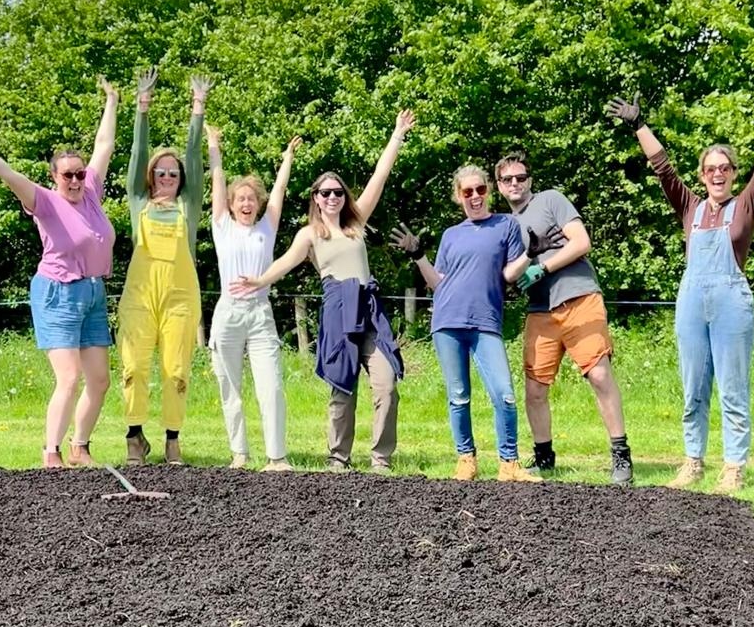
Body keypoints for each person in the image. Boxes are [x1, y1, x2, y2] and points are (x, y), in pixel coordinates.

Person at [606, 86, 754, 493]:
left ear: (732, 173)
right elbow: (662, 168)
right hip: (692, 302)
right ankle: (692, 462)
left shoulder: (744, 204)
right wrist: (639, 124)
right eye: (710, 168)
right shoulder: (690, 207)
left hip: (731, 303)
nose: (717, 173)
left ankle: (733, 467)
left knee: (732, 388)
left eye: (724, 167)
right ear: (702, 174)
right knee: (694, 388)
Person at [0, 79, 119, 469]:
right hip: (57, 294)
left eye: (79, 174)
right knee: (68, 379)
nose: (74, 180)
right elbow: (4, 171)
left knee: (99, 380)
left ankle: (79, 446)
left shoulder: (93, 192)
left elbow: (104, 146)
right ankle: (50, 453)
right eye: (67, 175)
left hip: (93, 293)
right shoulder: (44, 201)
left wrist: (112, 100)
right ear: (54, 176)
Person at [230, 111, 415, 473]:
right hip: (337, 309)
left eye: (337, 192)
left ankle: (380, 458)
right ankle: (338, 458)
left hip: (368, 307)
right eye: (325, 193)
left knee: (386, 383)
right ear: (315, 197)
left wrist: (396, 135)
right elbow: (284, 263)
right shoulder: (309, 234)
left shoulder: (356, 221)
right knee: (342, 387)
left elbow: (379, 177)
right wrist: (259, 281)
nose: (332, 197)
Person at [390, 166, 553, 482]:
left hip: (485, 322)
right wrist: (419, 256)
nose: (475, 196)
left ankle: (509, 464)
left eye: (480, 190)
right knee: (458, 395)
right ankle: (466, 459)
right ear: (458, 196)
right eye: (468, 192)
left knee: (504, 393)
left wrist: (531, 255)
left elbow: (508, 275)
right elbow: (438, 283)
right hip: (448, 321)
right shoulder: (452, 235)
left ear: (488, 191)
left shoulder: (505, 225)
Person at [494, 152, 634, 487]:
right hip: (540, 309)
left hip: (579, 295)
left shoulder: (551, 201)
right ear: (498, 185)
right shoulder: (503, 225)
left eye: (521, 177)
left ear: (530, 180)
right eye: (508, 179)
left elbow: (582, 242)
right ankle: (544, 457)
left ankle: (620, 454)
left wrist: (543, 266)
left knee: (599, 374)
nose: (516, 184)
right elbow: (505, 274)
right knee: (535, 388)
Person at [117, 72, 209, 465]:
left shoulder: (189, 206)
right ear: (150, 177)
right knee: (134, 367)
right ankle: (134, 436)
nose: (168, 177)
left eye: (173, 173)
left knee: (175, 370)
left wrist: (197, 110)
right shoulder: (139, 200)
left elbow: (193, 156)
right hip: (139, 296)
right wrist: (142, 108)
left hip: (179, 299)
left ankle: (172, 438)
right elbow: (137, 156)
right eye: (161, 172)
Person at [206, 124, 302, 472]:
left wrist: (287, 159)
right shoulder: (222, 225)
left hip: (260, 314)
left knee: (271, 386)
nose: (246, 203)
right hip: (228, 314)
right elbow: (217, 181)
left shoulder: (266, 227)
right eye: (240, 199)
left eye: (251, 198)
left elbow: (279, 190)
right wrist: (214, 147)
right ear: (231, 205)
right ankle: (240, 453)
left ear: (257, 204)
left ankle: (277, 457)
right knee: (229, 384)